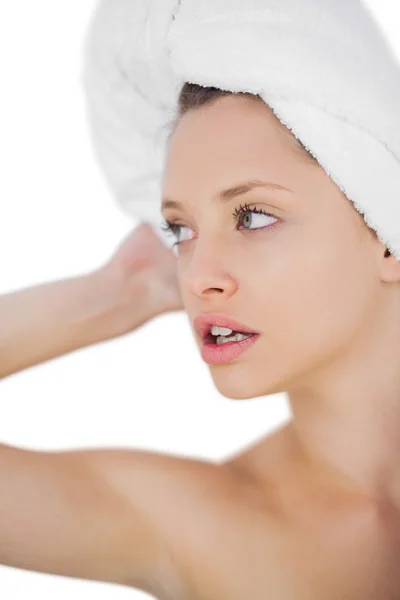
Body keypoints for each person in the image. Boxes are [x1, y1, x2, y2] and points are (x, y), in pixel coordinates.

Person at [1, 80, 400, 600]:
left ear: (388, 237)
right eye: (181, 230)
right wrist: (121, 291)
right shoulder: (203, 528)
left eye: (252, 216)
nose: (195, 277)